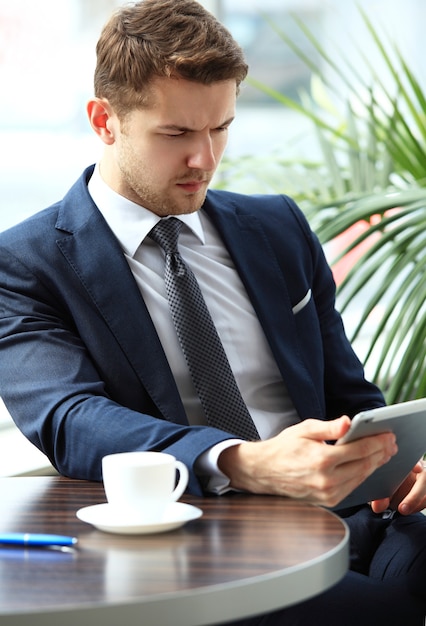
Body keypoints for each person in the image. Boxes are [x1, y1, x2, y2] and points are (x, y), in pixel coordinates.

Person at [0, 0, 425, 623]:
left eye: (220, 128)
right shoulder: (26, 263)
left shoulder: (277, 226)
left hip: (362, 516)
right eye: (175, 134)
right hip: (205, 536)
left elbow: (348, 393)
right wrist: (243, 461)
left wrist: (405, 457)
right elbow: (70, 419)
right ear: (104, 121)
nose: (204, 158)